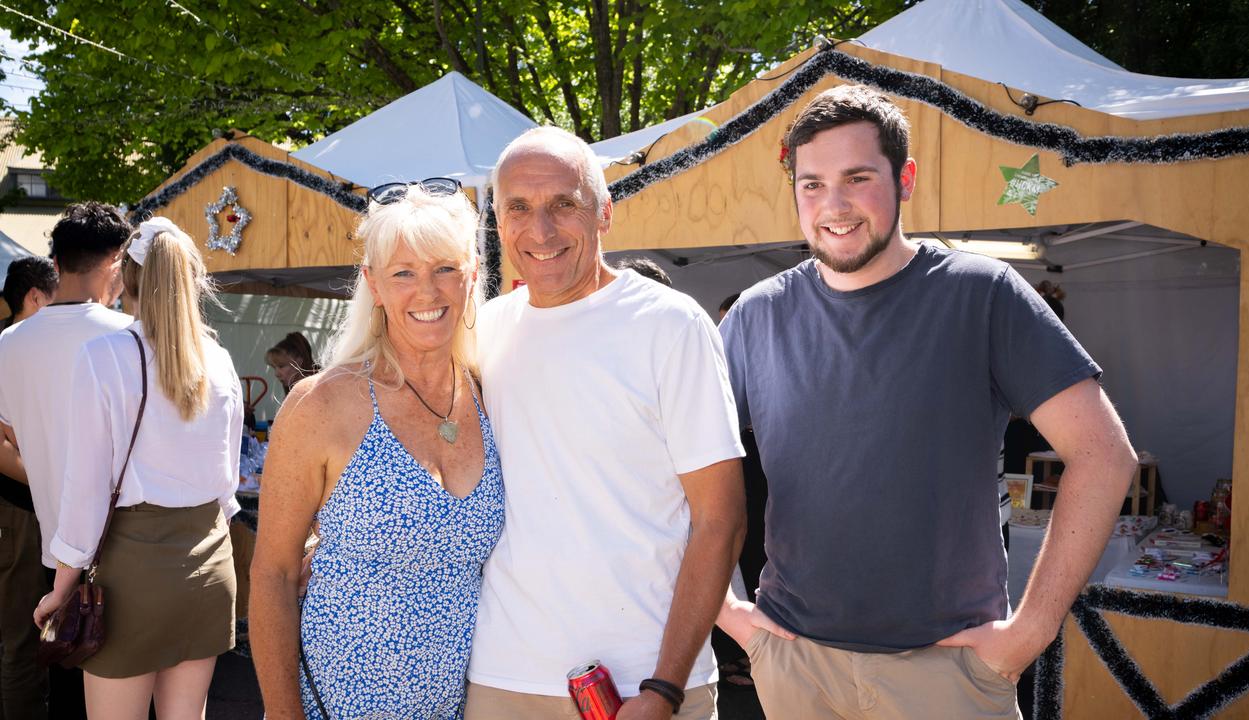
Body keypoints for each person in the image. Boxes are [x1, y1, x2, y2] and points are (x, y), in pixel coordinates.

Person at [716, 84, 1138, 719]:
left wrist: (1031, 631)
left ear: (904, 178)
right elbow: (684, 462)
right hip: (796, 663)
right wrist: (730, 614)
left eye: (858, 177)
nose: (834, 204)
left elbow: (1105, 455)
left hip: (948, 671)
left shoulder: (981, 294)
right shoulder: (756, 315)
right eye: (811, 184)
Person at [464, 127, 746, 720]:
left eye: (563, 204)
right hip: (503, 676)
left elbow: (721, 520)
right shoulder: (483, 332)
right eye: (519, 208)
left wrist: (665, 689)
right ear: (498, 222)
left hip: (647, 680)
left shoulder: (671, 326)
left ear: (604, 213)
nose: (539, 231)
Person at [250, 181, 503, 720]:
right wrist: (281, 713)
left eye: (445, 269)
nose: (427, 292)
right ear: (374, 284)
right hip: (338, 705)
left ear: (472, 275)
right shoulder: (323, 403)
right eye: (403, 273)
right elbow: (272, 571)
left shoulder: (493, 393)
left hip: (470, 704)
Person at [32, 217, 242, 718]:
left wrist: (61, 589)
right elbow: (226, 485)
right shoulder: (220, 361)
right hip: (210, 566)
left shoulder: (103, 357)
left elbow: (83, 491)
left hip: (132, 578)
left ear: (126, 278)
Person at [0, 202, 134, 720]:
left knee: (52, 666)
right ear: (116, 263)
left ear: (56, 264)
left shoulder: (10, 343)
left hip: (53, 542)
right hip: (125, 539)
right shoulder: (128, 336)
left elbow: (11, 433)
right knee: (117, 685)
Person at [0, 256, 57, 719]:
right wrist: (55, 480)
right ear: (35, 297)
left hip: (40, 509)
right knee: (21, 635)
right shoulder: (6, 347)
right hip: (17, 511)